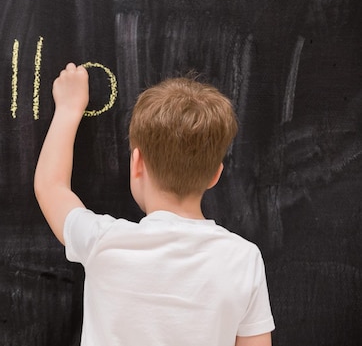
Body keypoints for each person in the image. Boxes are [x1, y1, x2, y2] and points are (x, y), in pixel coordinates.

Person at [34, 63, 275, 346]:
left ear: (136, 163)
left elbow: (50, 187)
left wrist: (68, 109)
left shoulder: (104, 241)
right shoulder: (244, 259)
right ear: (215, 175)